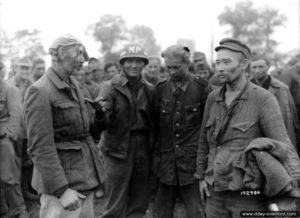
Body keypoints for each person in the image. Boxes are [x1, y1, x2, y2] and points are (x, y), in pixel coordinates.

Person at [195, 38, 300, 218]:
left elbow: (284, 145)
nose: (220, 67)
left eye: (226, 62)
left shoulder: (263, 98)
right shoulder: (213, 98)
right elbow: (204, 141)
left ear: (244, 64)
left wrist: (293, 190)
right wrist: (201, 177)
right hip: (215, 190)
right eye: (218, 62)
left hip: (247, 192)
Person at [24, 34, 104, 218]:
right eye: (78, 54)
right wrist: (61, 190)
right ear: (59, 54)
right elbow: (40, 147)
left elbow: (83, 133)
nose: (83, 60)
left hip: (84, 178)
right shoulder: (40, 91)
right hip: (61, 188)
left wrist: (100, 116)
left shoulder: (73, 84)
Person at [94, 43, 155, 218]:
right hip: (117, 148)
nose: (134, 65)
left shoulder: (150, 89)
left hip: (142, 147)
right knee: (115, 203)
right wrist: (100, 113)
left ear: (144, 64)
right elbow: (101, 125)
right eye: (129, 61)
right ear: (122, 64)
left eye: (138, 61)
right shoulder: (110, 86)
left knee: (139, 201)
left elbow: (154, 121)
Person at [152, 45, 208, 218]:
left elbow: (209, 126)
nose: (172, 71)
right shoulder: (160, 88)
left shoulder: (201, 87)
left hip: (192, 162)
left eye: (176, 67)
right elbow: (155, 127)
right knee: (161, 212)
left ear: (187, 64)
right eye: (168, 67)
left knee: (196, 212)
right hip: (166, 161)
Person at [250, 55, 300, 151]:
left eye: (261, 67)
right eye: (254, 67)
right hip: (254, 136)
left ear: (268, 67)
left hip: (277, 136)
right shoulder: (245, 89)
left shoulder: (281, 88)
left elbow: (292, 116)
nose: (257, 71)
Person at [0, 62, 29, 218]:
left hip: (3, 138)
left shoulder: (10, 89)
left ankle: (20, 211)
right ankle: (4, 210)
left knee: (8, 177)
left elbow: (16, 115)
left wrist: (9, 137)